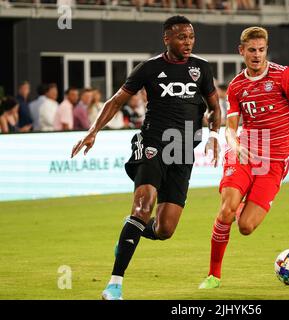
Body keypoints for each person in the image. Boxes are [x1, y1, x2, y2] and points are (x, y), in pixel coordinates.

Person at [70, 15, 221, 300]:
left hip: (183, 150)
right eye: (181, 37)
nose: (187, 42)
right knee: (142, 207)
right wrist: (92, 132)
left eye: (191, 37)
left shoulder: (201, 68)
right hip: (153, 143)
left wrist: (214, 136)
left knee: (164, 230)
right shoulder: (150, 68)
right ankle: (114, 284)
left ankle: (131, 232)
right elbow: (116, 100)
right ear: (167, 38)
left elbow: (214, 107)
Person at [198, 26, 289, 289]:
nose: (256, 55)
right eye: (251, 50)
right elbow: (230, 129)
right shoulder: (236, 86)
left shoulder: (283, 76)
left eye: (261, 50)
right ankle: (213, 276)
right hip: (244, 151)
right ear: (241, 51)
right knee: (226, 209)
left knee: (245, 226)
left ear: (266, 50)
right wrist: (235, 145)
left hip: (274, 161)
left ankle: (248, 205)